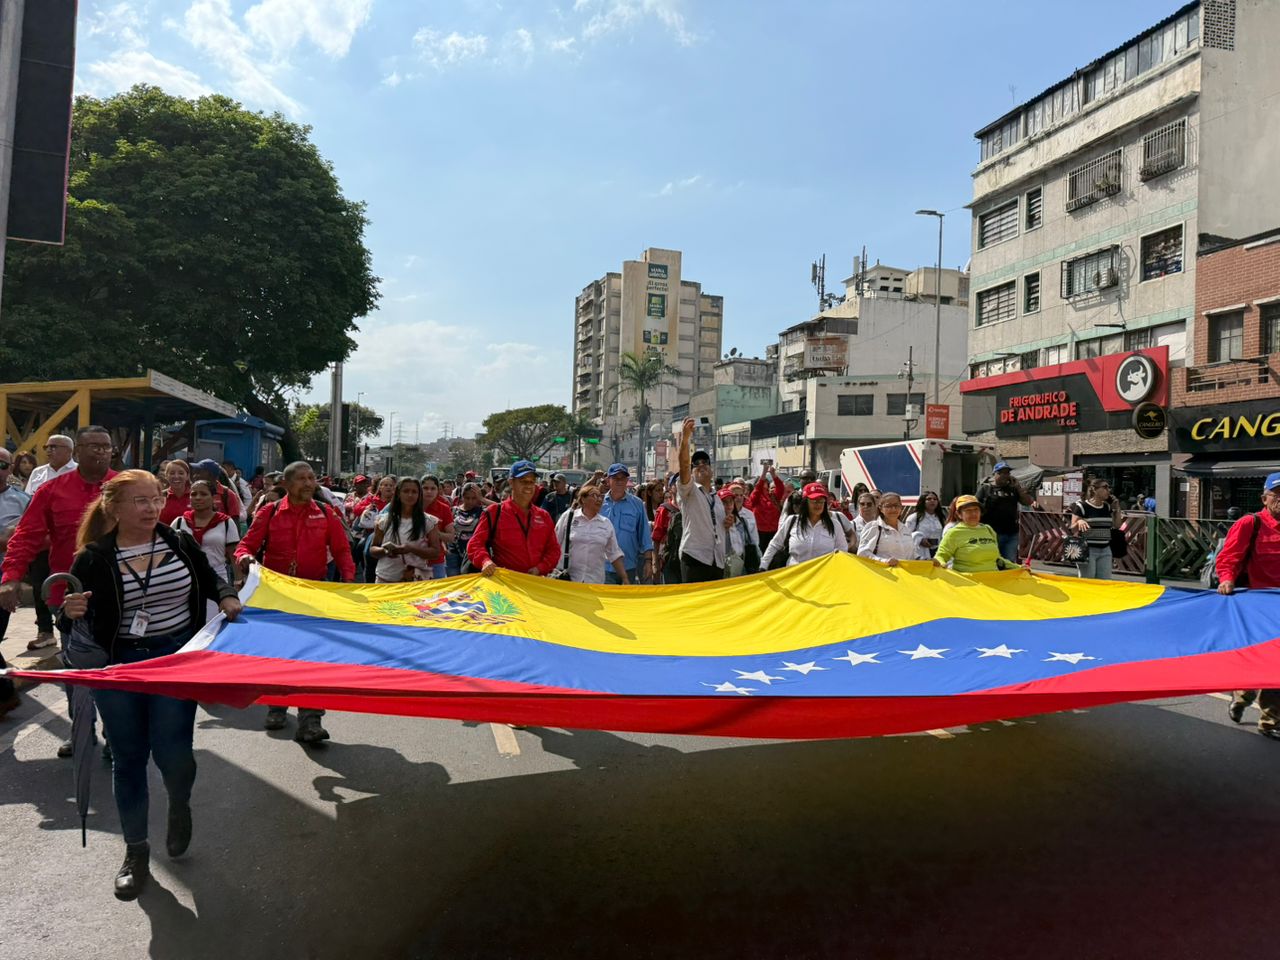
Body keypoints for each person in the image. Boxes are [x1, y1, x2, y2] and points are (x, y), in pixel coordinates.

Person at [61, 470, 241, 900]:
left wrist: (227, 595)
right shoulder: (92, 558)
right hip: (119, 665)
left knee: (173, 754)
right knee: (128, 758)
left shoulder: (178, 541)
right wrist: (69, 610)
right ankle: (136, 851)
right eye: (140, 501)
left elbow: (210, 577)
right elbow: (71, 622)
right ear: (114, 508)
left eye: (156, 499)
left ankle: (179, 803)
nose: (152, 508)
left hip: (174, 660)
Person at [1, 426, 117, 754]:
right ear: (77, 452)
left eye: (106, 446)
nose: (100, 452)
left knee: (116, 667)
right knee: (76, 667)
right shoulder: (52, 491)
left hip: (121, 594)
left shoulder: (124, 487)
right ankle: (81, 730)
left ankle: (116, 733)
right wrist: (11, 577)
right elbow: (26, 535)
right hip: (67, 595)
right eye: (93, 446)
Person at [234, 461, 355, 743]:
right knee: (278, 655)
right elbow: (246, 545)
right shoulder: (270, 511)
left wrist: (349, 585)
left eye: (311, 478)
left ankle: (311, 721)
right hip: (276, 598)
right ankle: (276, 706)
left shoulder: (326, 512)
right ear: (286, 484)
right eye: (302, 479)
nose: (309, 483)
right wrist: (244, 558)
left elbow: (341, 550)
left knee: (312, 659)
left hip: (314, 597)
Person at [1218, 472, 1280, 740]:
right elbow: (1229, 557)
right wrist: (1226, 579)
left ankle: (1270, 721)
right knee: (1260, 663)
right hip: (1255, 607)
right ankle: (1242, 696)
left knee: (1277, 666)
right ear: (1264, 498)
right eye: (1277, 494)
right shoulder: (1250, 523)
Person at [20, 433, 79, 648]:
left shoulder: (78, 472)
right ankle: (45, 631)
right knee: (39, 584)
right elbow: (29, 503)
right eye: (47, 447)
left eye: (55, 447)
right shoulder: (38, 473)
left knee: (69, 584)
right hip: (41, 540)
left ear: (69, 451)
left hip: (67, 540)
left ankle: (72, 631)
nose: (49, 450)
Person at [467, 460, 560, 576]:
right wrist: (485, 561)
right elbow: (475, 544)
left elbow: (554, 550)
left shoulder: (543, 516)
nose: (528, 485)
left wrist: (540, 568)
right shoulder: (494, 512)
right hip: (505, 582)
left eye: (532, 481)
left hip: (536, 581)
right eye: (523, 481)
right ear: (511, 482)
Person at [674, 419, 726, 583]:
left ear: (711, 470)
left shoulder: (717, 498)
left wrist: (727, 522)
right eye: (696, 464)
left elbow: (717, 525)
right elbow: (683, 465)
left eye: (705, 462)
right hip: (694, 557)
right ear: (691, 472)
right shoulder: (689, 490)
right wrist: (685, 439)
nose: (701, 465)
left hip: (716, 560)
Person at [0, 449, 31, 717]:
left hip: (4, 577)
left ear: (10, 469)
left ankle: (6, 695)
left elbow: (25, 539)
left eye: (2, 465)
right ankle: (6, 695)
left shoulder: (23, 501)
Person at [760, 482, 849, 569]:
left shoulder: (834, 525)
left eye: (821, 501)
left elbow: (842, 551)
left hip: (824, 575)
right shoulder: (792, 521)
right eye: (814, 501)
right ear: (805, 502)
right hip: (795, 574)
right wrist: (763, 565)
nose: (818, 504)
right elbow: (775, 544)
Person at [369, 477, 441, 582]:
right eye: (406, 491)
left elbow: (435, 552)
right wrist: (386, 551)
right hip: (385, 579)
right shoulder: (383, 520)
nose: (410, 495)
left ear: (419, 495)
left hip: (414, 582)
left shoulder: (429, 521)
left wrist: (411, 549)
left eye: (414, 492)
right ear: (398, 493)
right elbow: (373, 549)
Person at [553, 482, 627, 584]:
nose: (599, 499)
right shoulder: (569, 517)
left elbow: (614, 553)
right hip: (568, 580)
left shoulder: (606, 523)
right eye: (594, 495)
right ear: (583, 499)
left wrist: (624, 578)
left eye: (600, 496)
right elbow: (554, 544)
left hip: (594, 581)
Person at [171, 479, 240, 583]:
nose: (198, 497)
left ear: (213, 498)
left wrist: (238, 582)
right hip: (185, 579)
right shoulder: (179, 522)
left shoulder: (226, 522)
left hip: (217, 579)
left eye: (203, 494)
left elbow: (234, 555)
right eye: (193, 494)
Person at [600, 463, 655, 585]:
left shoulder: (637, 504)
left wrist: (648, 562)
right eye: (615, 478)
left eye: (623, 478)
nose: (619, 481)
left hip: (628, 565)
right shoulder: (599, 503)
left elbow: (645, 536)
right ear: (608, 480)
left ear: (627, 480)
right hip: (603, 566)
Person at [933, 495, 1015, 572]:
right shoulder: (954, 533)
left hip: (991, 579)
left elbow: (997, 559)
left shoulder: (988, 529)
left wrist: (1016, 567)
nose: (973, 513)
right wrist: (940, 563)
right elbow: (941, 556)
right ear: (959, 514)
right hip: (967, 580)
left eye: (976, 509)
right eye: (968, 510)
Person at [1066, 478, 1123, 580]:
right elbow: (1072, 529)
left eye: (1109, 487)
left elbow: (1117, 525)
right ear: (1094, 489)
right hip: (1088, 549)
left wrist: (1117, 508)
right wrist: (1079, 522)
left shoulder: (1107, 507)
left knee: (1104, 582)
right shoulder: (1082, 506)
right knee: (1088, 580)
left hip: (1105, 549)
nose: (1108, 490)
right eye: (1105, 487)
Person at [977, 462, 1033, 564]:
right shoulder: (986, 489)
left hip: (1011, 533)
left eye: (1007, 473)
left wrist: (1018, 487)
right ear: (995, 474)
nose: (1005, 475)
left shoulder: (1013, 489)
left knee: (1008, 562)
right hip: (992, 533)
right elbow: (975, 505)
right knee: (993, 561)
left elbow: (1028, 502)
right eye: (1001, 473)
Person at [857, 492, 917, 566]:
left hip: (906, 572)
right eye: (888, 506)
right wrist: (884, 561)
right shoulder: (874, 527)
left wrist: (923, 559)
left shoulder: (905, 529)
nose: (893, 509)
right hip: (883, 572)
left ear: (901, 507)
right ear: (881, 508)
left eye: (896, 505)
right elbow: (862, 553)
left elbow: (912, 554)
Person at [419, 476, 457, 580]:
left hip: (436, 562)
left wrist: (435, 533)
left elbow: (451, 537)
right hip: (412, 560)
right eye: (425, 488)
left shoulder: (444, 508)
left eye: (433, 488)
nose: (429, 491)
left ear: (438, 490)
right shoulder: (411, 505)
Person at [744, 464, 787, 552]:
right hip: (760, 532)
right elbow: (758, 489)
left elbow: (781, 487)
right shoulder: (755, 498)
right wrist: (763, 473)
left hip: (774, 531)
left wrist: (773, 474)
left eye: (765, 482)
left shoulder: (773, 497)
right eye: (762, 482)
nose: (764, 484)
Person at [447, 482, 485, 577]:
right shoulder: (453, 510)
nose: (470, 501)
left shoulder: (483, 512)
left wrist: (482, 499)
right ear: (462, 497)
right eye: (467, 498)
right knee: (454, 581)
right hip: (453, 552)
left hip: (472, 554)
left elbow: (502, 509)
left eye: (474, 498)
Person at [903, 491, 945, 558]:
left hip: (937, 551)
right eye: (929, 499)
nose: (932, 501)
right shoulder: (914, 517)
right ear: (922, 501)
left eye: (935, 499)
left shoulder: (941, 517)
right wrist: (919, 539)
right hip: (920, 552)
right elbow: (905, 535)